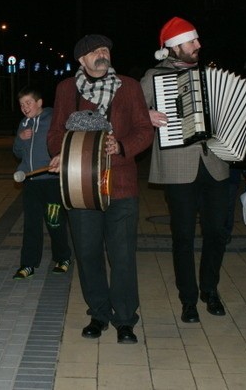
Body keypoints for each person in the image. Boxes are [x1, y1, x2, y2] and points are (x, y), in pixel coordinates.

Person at [140, 17, 246, 324]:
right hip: (177, 169)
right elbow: (128, 113)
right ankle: (188, 299)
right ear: (174, 46)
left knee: (216, 233)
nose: (199, 45)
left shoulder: (210, 74)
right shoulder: (154, 77)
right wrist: (147, 115)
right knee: (183, 237)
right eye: (192, 41)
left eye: (197, 40)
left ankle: (210, 290)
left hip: (216, 166)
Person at [47, 34, 154, 344]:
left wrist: (121, 145)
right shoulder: (66, 89)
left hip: (120, 186)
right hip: (79, 185)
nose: (102, 54)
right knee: (89, 253)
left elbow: (144, 130)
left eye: (106, 49)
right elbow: (55, 132)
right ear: (81, 60)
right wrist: (61, 154)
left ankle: (125, 319)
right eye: (95, 51)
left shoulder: (129, 86)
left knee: (122, 255)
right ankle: (98, 313)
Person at [12, 85, 71, 280]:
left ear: (39, 103)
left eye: (28, 103)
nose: (25, 107)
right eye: (21, 105)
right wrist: (20, 139)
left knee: (54, 221)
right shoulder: (23, 124)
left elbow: (67, 141)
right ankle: (28, 264)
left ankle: (63, 258)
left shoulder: (53, 119)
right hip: (31, 183)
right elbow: (17, 152)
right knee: (31, 225)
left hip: (51, 182)